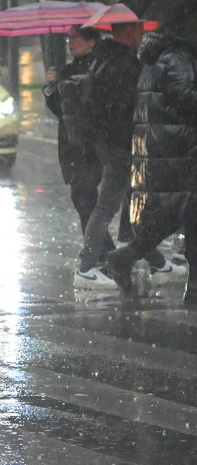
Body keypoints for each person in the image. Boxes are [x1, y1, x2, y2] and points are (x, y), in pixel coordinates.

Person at [104, 7, 197, 299]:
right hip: (179, 148)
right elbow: (185, 98)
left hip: (163, 146)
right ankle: (129, 257)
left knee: (180, 212)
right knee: (184, 211)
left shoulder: (157, 56)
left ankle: (129, 256)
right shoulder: (178, 58)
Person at [70, 24, 146, 287]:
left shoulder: (103, 61)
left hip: (111, 144)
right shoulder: (124, 65)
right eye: (138, 31)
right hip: (123, 145)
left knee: (131, 202)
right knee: (110, 206)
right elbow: (129, 107)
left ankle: (151, 261)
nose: (141, 36)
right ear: (128, 33)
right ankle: (87, 267)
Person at [44, 26, 101, 231]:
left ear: (91, 41)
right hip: (72, 145)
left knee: (86, 201)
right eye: (69, 38)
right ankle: (97, 246)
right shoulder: (67, 71)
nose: (71, 43)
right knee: (83, 201)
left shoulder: (99, 68)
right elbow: (60, 109)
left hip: (91, 145)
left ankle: (97, 246)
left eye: (76, 38)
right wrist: (52, 87)